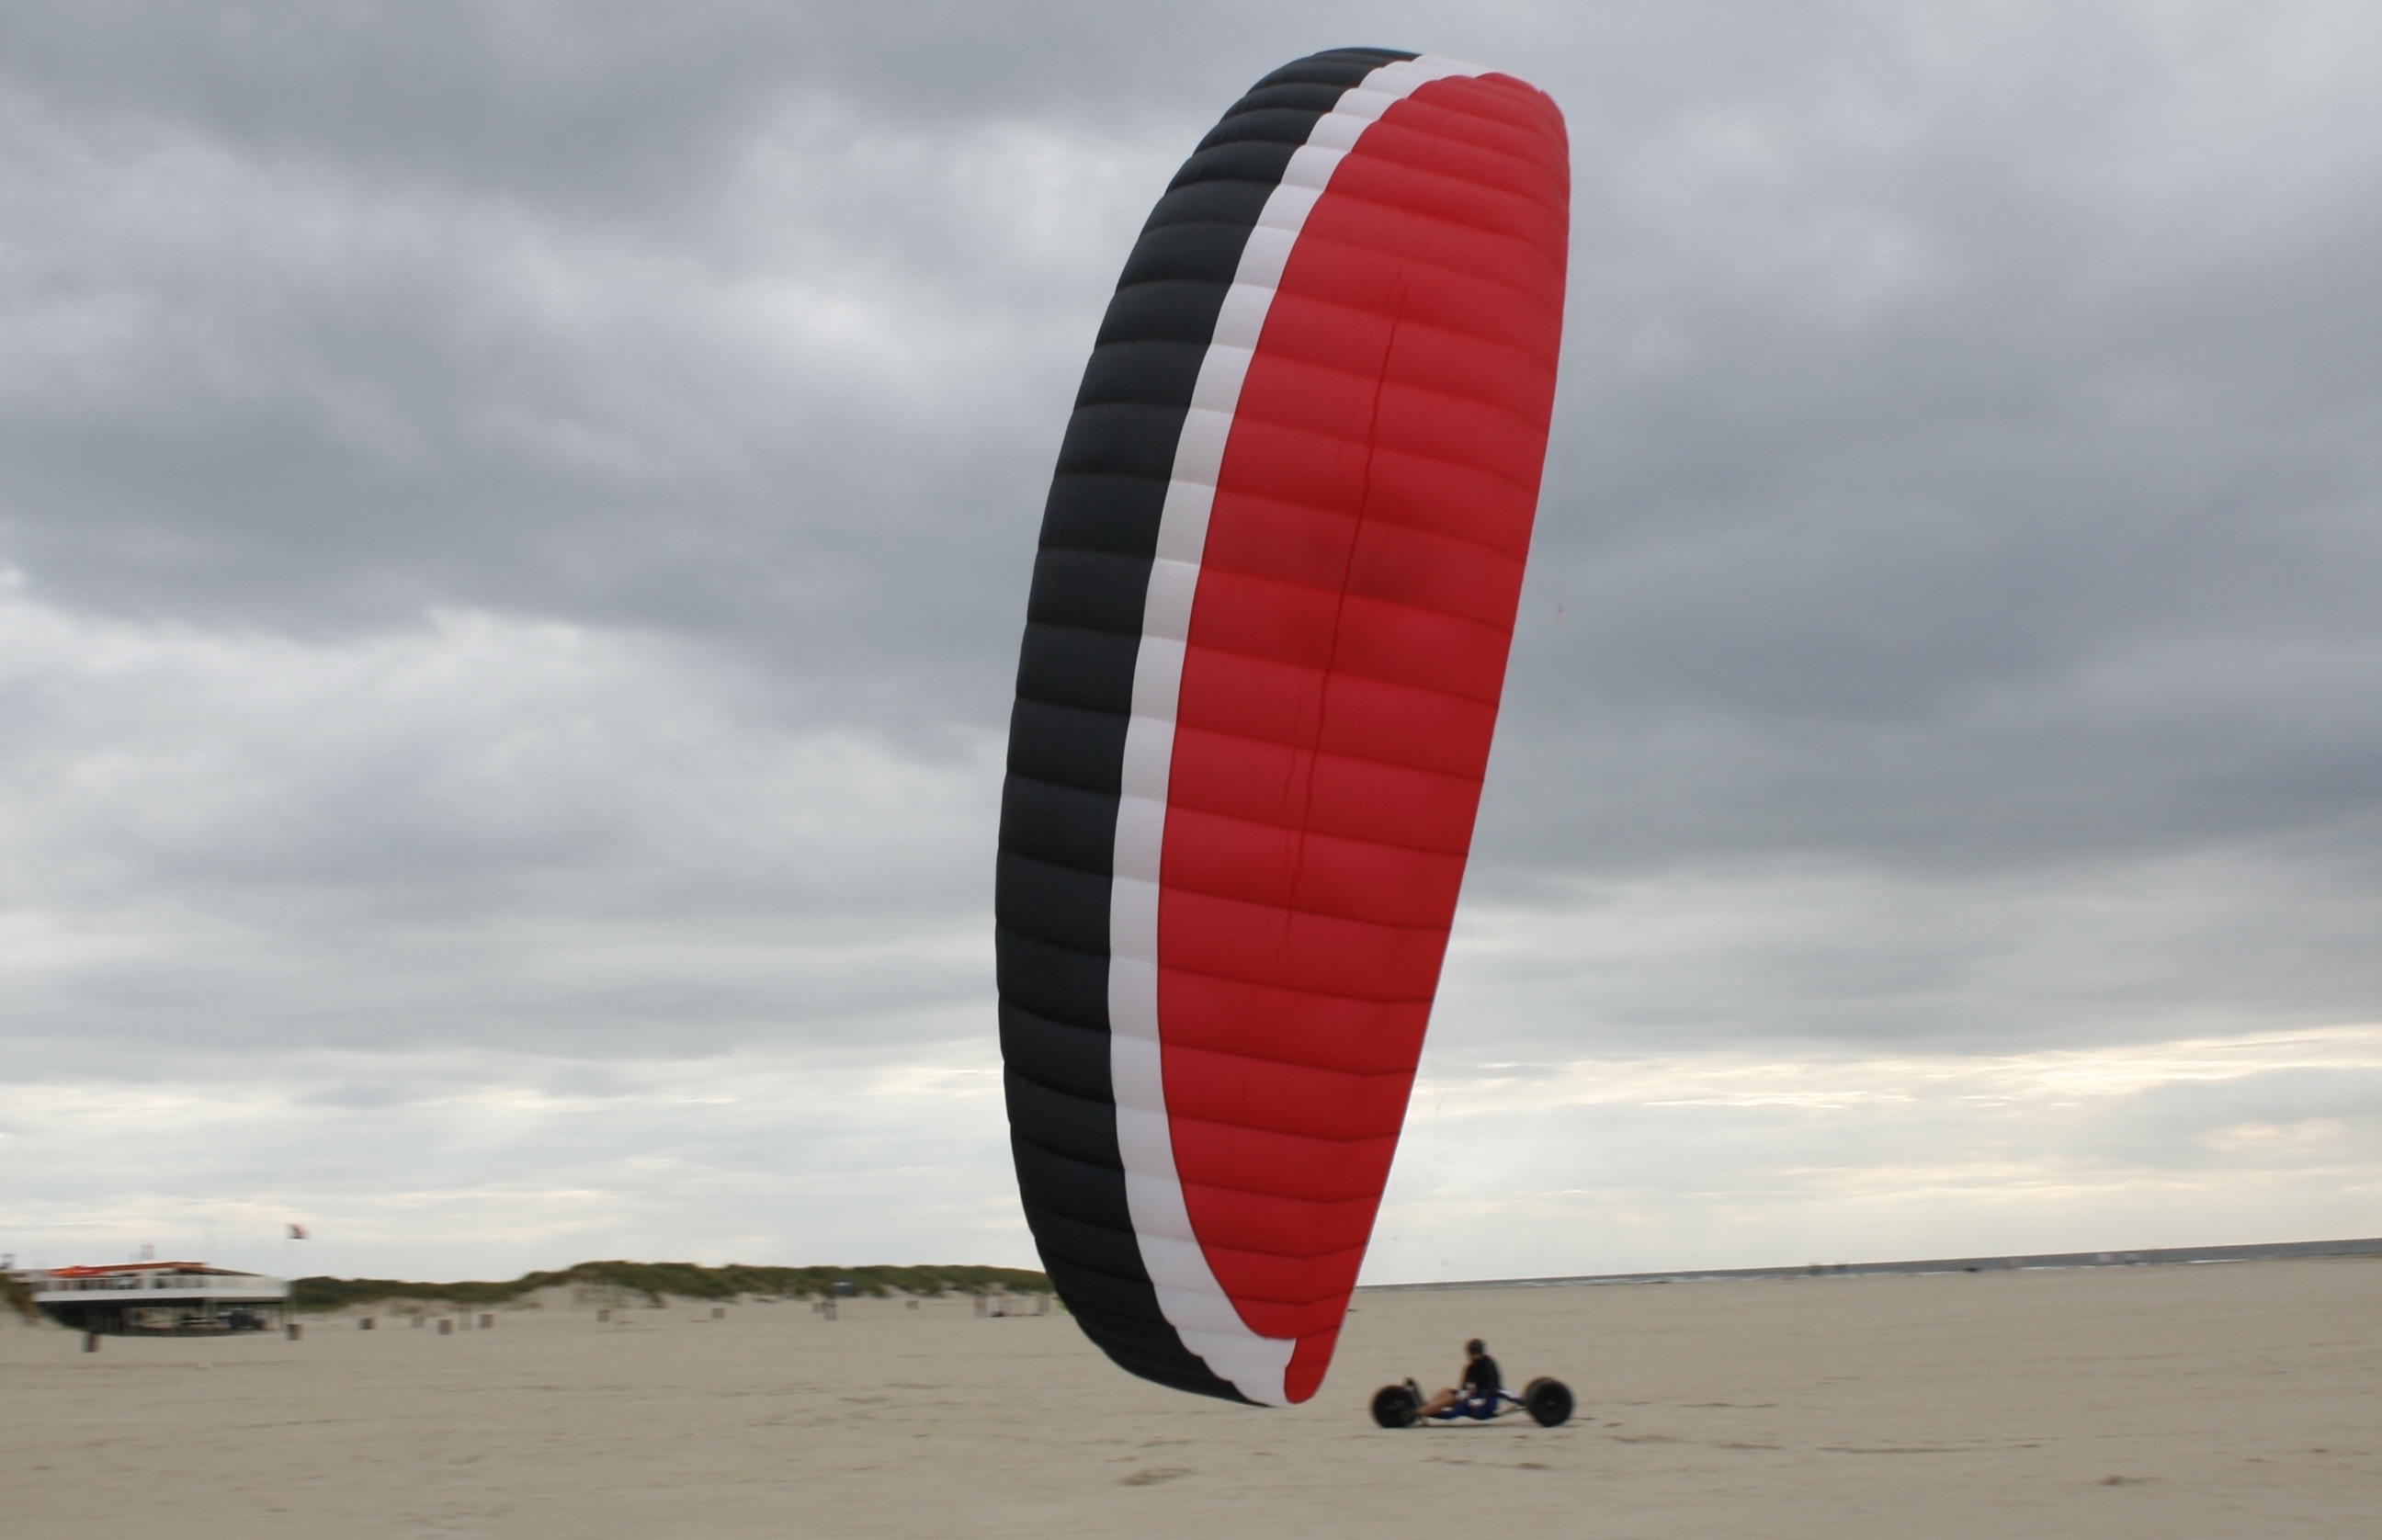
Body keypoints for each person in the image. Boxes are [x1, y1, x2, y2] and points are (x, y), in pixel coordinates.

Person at [1418, 1338, 1502, 1421]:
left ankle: (1419, 1413)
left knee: (1449, 1400)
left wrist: (1470, 1397)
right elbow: (1463, 1388)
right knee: (1446, 1391)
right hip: (1474, 1397)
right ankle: (1426, 1407)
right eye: (1471, 1354)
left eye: (1475, 1354)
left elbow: (1492, 1389)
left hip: (1483, 1406)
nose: (1473, 1357)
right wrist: (1462, 1394)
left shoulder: (1488, 1366)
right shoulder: (1471, 1368)